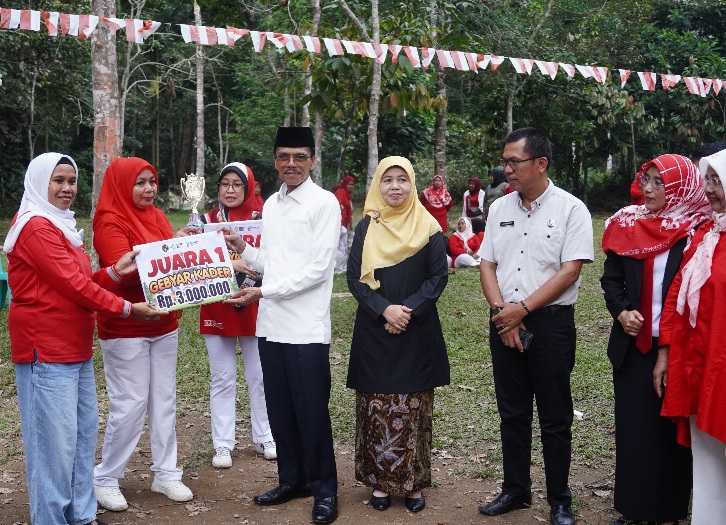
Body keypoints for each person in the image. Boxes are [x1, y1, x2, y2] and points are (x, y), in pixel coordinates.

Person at [5, 152, 161, 525]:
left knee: (79, 438)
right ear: (40, 181)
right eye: (58, 180)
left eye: (71, 181)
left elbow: (85, 283)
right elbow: (74, 287)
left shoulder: (61, 226)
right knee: (52, 447)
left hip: (75, 347)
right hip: (46, 350)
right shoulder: (35, 226)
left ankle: (81, 515)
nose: (66, 189)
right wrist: (127, 308)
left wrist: (113, 272)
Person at [223, 126, 341, 524]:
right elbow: (272, 260)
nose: (291, 164)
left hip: (305, 329)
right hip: (270, 326)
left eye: (300, 157)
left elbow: (318, 270)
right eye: (284, 156)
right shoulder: (271, 204)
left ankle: (324, 489)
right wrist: (245, 251)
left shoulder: (324, 204)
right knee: (280, 410)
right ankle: (293, 480)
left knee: (311, 412)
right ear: (274, 159)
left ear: (312, 159)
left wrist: (263, 291)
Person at [478, 128, 594, 525]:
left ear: (540, 163)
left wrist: (522, 309)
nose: (505, 169)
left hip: (550, 326)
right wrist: (502, 312)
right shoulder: (499, 209)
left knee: (555, 416)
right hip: (503, 320)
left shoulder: (571, 209)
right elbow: (487, 263)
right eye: (505, 161)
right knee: (511, 413)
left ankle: (560, 500)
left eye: (514, 162)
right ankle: (515, 490)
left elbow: (571, 270)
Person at [601, 154, 708, 525]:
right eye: (646, 179)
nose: (648, 188)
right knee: (634, 428)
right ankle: (633, 509)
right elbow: (611, 279)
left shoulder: (699, 229)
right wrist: (621, 312)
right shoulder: (627, 223)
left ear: (679, 185)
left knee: (670, 427)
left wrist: (669, 346)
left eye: (659, 181)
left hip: (679, 347)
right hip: (634, 344)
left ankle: (669, 511)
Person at [92, 157, 196, 512]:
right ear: (123, 185)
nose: (149, 189)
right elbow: (129, 269)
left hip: (164, 323)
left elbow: (167, 257)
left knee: (164, 400)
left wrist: (181, 243)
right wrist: (171, 250)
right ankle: (105, 477)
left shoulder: (158, 216)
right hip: (126, 326)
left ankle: (166, 472)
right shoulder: (110, 221)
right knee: (131, 403)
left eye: (152, 181)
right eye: (140, 182)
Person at [346, 156, 449, 513]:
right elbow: (354, 279)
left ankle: (413, 484)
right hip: (375, 331)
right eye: (387, 179)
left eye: (401, 180)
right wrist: (383, 309)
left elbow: (437, 279)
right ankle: (380, 484)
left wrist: (406, 311)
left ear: (412, 184)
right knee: (376, 410)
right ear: (377, 185)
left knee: (413, 410)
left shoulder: (429, 227)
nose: (394, 187)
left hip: (415, 332)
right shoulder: (366, 229)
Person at [660, 149, 726, 524]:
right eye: (709, 180)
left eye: (718, 181)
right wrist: (666, 352)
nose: (710, 189)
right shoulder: (706, 235)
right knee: (707, 460)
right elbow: (677, 296)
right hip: (700, 365)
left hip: (721, 362)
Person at [199, 162, 276, 468]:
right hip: (217, 307)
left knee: (259, 376)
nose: (230, 190)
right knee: (222, 378)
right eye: (225, 184)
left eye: (237, 185)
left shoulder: (262, 220)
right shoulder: (204, 220)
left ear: (249, 188)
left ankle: (264, 436)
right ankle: (222, 444)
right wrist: (228, 266)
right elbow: (194, 267)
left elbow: (272, 260)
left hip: (256, 305)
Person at [334, 175, 355, 273]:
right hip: (338, 223)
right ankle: (335, 266)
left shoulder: (348, 195)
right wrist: (340, 207)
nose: (351, 186)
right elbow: (337, 204)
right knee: (337, 245)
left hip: (344, 224)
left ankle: (341, 266)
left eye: (352, 184)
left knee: (343, 245)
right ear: (345, 184)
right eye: (349, 184)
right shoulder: (341, 192)